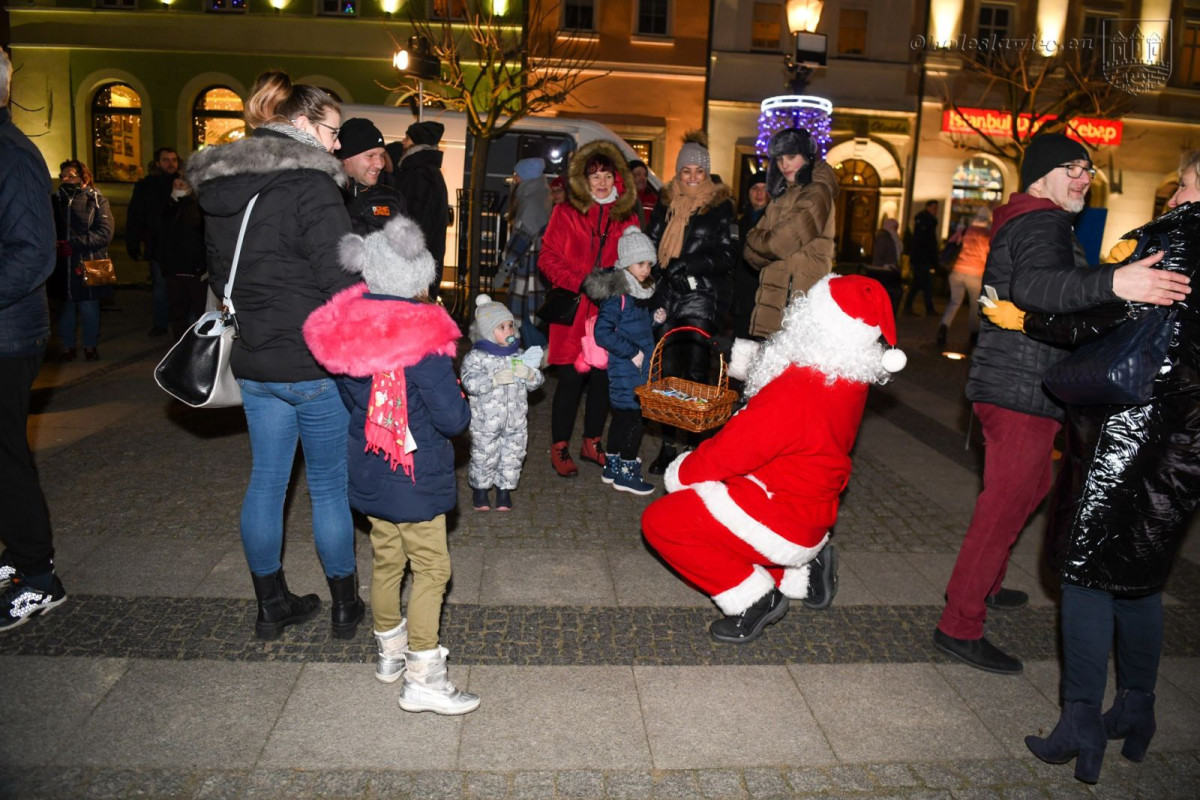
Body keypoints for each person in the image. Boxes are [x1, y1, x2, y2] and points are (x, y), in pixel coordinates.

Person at [932, 133, 1190, 675]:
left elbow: (1053, 286)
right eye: (1071, 167)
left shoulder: (1031, 218)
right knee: (1004, 507)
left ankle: (989, 585)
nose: (1082, 178)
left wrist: (1100, 273)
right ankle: (960, 623)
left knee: (1026, 492)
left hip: (1016, 385)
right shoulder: (1041, 220)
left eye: (1087, 171)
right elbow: (1040, 285)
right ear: (1041, 175)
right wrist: (1117, 280)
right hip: (1020, 391)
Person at [981, 151, 1199, 783]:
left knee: (1085, 574)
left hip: (1133, 428)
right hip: (1187, 439)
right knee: (1141, 577)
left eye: (1182, 187)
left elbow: (1112, 320)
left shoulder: (1178, 238)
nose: (1172, 200)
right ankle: (1136, 710)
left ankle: (1080, 721)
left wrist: (1030, 319)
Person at [188, 70, 365, 641]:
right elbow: (342, 281)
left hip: (255, 359)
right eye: (332, 132)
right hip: (312, 363)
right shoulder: (312, 185)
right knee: (329, 488)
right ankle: (344, 606)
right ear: (300, 124)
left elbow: (219, 273)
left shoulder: (222, 187)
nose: (338, 145)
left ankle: (272, 604)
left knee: (266, 481)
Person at [642, 275, 907, 643]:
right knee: (728, 524)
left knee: (664, 522)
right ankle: (806, 573)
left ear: (817, 321)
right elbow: (781, 361)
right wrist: (732, 351)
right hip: (812, 510)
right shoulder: (847, 376)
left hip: (781, 515)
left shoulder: (798, 391)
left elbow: (732, 451)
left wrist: (683, 472)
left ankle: (753, 600)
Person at [304, 214, 478, 715]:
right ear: (414, 278)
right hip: (415, 473)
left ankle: (390, 655)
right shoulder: (423, 340)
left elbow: (349, 394)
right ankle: (424, 674)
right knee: (431, 567)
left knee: (386, 559)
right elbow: (451, 418)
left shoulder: (346, 333)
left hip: (370, 464)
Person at [0, 49, 67, 631]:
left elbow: (32, 254)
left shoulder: (12, 155)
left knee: (5, 456)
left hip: (8, 335)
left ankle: (37, 574)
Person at [538, 139, 641, 477]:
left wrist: (611, 285)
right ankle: (560, 446)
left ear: (617, 179)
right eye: (594, 175)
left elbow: (636, 263)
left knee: (602, 381)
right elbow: (548, 258)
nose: (601, 182)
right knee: (569, 380)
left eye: (607, 175)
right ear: (583, 179)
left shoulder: (626, 219)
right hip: (573, 310)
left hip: (608, 312)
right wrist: (582, 281)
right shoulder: (565, 213)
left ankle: (592, 442)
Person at [643, 132, 739, 474]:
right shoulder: (666, 202)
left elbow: (729, 254)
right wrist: (661, 273)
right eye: (687, 171)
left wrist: (690, 265)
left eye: (699, 170)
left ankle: (695, 445)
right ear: (678, 173)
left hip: (704, 295)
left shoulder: (721, 206)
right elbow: (650, 244)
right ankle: (669, 445)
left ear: (708, 173)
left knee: (696, 372)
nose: (693, 176)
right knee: (667, 374)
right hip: (669, 293)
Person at [583, 227, 666, 495]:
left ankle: (613, 464)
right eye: (640, 263)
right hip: (626, 369)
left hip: (636, 369)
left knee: (621, 418)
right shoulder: (619, 295)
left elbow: (636, 329)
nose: (645, 269)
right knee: (634, 420)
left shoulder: (637, 293)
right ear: (626, 263)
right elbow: (603, 333)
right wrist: (633, 352)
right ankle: (627, 472)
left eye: (649, 264)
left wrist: (654, 321)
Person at [742, 127, 838, 339]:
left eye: (791, 157)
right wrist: (764, 246)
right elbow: (750, 254)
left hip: (796, 304)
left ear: (806, 157)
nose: (784, 165)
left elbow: (777, 243)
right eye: (779, 159)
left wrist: (752, 237)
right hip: (773, 302)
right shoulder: (783, 195)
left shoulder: (817, 192)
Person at [461, 294, 544, 512]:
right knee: (484, 454)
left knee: (513, 455)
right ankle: (480, 490)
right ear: (488, 332)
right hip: (486, 422)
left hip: (515, 420)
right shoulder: (477, 357)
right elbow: (469, 383)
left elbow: (536, 382)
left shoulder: (517, 354)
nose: (509, 331)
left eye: (510, 326)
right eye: (502, 327)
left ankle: (504, 490)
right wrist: (493, 380)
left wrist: (529, 375)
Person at [51, 160, 114, 362]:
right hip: (62, 264)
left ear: (83, 177)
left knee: (88, 306)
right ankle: (68, 346)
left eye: (70, 175)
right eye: (63, 176)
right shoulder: (55, 201)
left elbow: (105, 233)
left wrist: (76, 244)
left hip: (88, 262)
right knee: (66, 307)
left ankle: (90, 345)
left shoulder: (96, 200)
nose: (65, 179)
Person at [497, 157, 552, 350]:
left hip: (529, 273)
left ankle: (538, 359)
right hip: (535, 270)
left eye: (517, 175)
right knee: (530, 318)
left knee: (527, 319)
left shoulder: (531, 201)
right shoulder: (540, 195)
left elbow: (522, 237)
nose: (515, 179)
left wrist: (506, 262)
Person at [126, 146, 180, 337]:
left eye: (173, 160)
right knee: (160, 286)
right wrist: (132, 240)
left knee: (179, 287)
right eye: (166, 160)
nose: (170, 164)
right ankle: (160, 323)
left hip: (180, 246)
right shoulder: (146, 186)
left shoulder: (183, 183)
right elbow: (135, 214)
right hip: (158, 245)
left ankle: (180, 325)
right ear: (158, 163)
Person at [395, 121, 449, 299]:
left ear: (417, 143)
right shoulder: (426, 171)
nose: (403, 142)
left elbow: (415, 222)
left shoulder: (420, 173)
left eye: (407, 138)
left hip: (415, 266)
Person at [155, 176, 207, 340]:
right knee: (177, 311)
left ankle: (200, 346)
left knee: (200, 311)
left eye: (182, 183)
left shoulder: (198, 206)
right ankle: (180, 346)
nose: (178, 186)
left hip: (195, 269)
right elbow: (160, 236)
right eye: (175, 183)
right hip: (173, 269)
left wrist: (204, 264)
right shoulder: (166, 207)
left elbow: (206, 236)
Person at [336, 117, 406, 236]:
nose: (380, 164)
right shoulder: (327, 195)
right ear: (346, 159)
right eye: (370, 156)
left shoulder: (393, 198)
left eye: (382, 155)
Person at [936, 206, 992, 349]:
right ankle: (973, 336)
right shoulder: (988, 235)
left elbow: (951, 243)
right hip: (976, 273)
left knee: (954, 302)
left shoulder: (965, 230)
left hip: (957, 271)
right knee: (975, 305)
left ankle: (943, 328)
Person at [730, 172, 769, 341]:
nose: (759, 193)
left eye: (764, 188)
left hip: (765, 296)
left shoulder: (775, 222)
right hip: (743, 298)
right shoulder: (740, 222)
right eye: (755, 188)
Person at [903, 200, 940, 316]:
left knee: (917, 284)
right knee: (926, 284)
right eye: (934, 208)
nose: (936, 211)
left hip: (921, 258)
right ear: (928, 208)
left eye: (936, 208)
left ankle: (908, 307)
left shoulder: (926, 221)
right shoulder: (925, 222)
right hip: (921, 258)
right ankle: (928, 309)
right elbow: (926, 242)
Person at [867, 217, 904, 313]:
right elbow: (879, 255)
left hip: (891, 270)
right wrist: (878, 269)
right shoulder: (884, 237)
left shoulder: (893, 237)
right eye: (895, 227)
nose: (896, 229)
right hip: (884, 271)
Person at [628, 158, 659, 227]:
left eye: (645, 175)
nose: (643, 178)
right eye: (638, 174)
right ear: (629, 177)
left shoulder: (653, 199)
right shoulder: (623, 199)